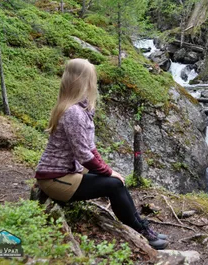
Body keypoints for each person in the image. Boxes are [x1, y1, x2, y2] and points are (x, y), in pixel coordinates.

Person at [34, 58, 168, 250]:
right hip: (55, 179)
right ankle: (141, 231)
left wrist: (108, 170)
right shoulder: (73, 112)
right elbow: (83, 155)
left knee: (116, 181)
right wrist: (108, 173)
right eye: (91, 78)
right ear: (81, 81)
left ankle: (141, 226)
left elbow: (90, 148)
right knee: (113, 185)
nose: (93, 83)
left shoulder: (79, 109)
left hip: (68, 173)